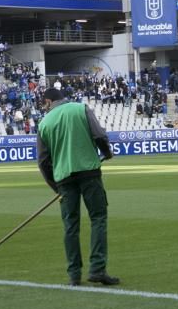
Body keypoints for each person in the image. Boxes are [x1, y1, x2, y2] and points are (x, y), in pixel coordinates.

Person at [37, 88, 119, 286]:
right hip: (89, 172)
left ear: (48, 101)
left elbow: (43, 162)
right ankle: (97, 269)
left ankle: (74, 275)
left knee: (70, 227)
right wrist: (106, 152)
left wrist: (56, 187)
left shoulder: (44, 123)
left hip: (64, 179)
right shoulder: (81, 109)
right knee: (98, 218)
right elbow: (99, 136)